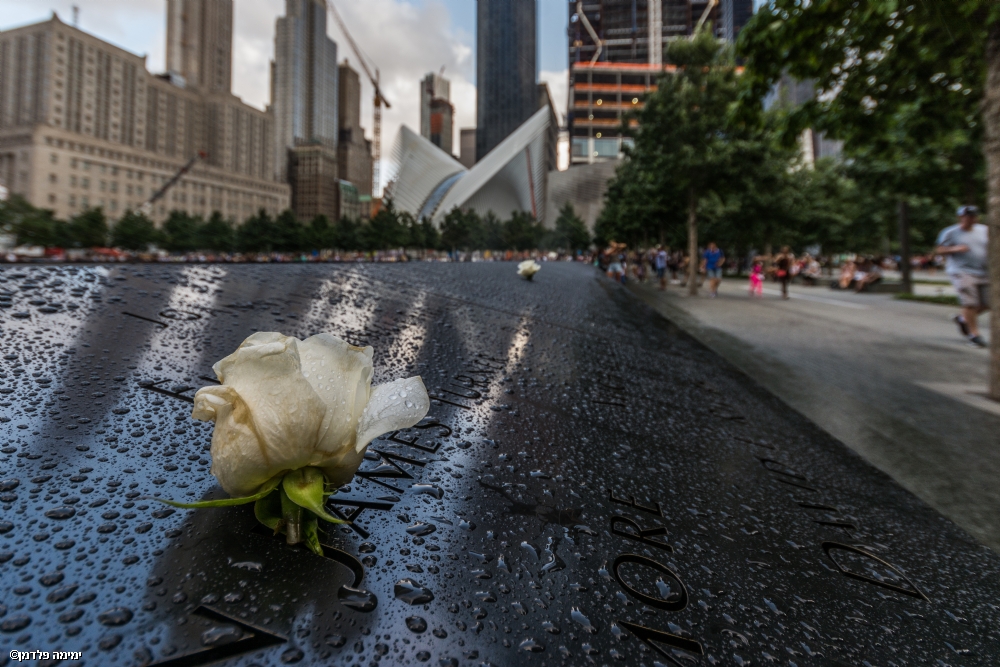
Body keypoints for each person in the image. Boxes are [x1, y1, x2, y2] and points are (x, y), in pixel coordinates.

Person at [936, 205, 990, 347]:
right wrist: (955, 248)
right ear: (961, 217)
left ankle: (962, 319)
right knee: (970, 303)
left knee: (988, 303)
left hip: (984, 271)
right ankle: (974, 335)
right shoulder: (950, 232)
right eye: (968, 216)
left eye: (973, 216)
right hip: (961, 271)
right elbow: (939, 249)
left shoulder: (984, 230)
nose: (971, 218)